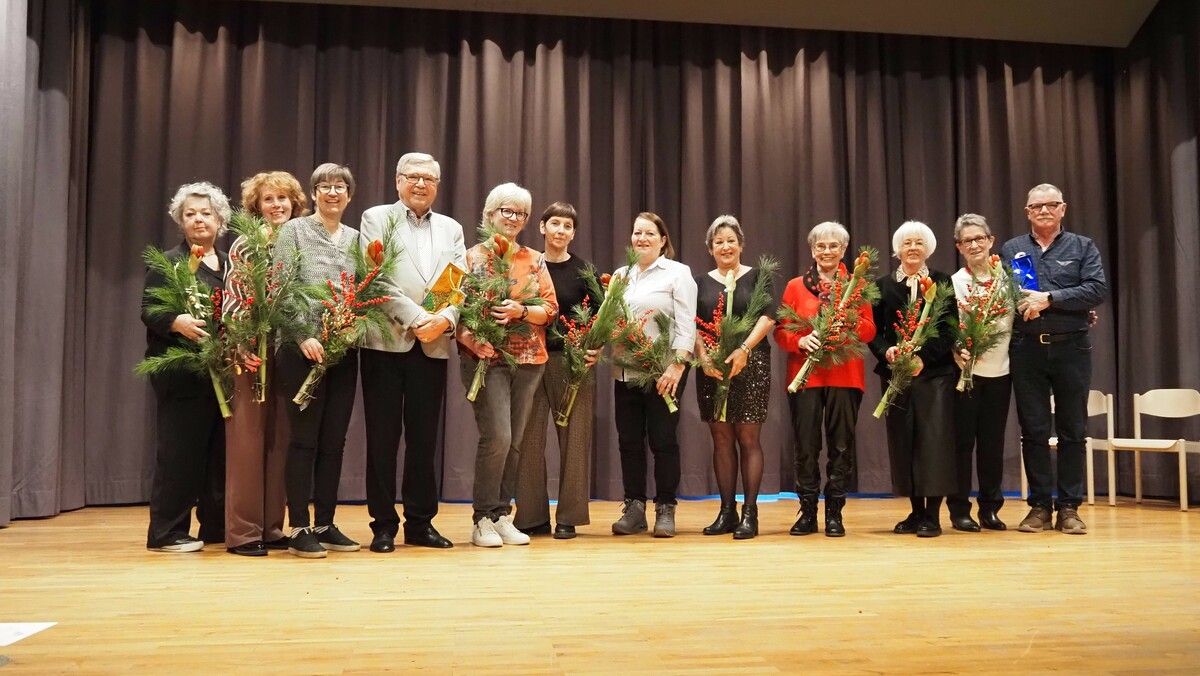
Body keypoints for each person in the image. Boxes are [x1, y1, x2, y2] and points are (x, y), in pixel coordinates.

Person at [358, 153, 466, 553]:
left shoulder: (451, 228)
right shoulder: (375, 218)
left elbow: (457, 282)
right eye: (413, 176)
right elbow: (375, 277)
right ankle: (383, 525)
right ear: (398, 180)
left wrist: (443, 320)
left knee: (423, 440)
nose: (421, 184)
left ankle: (420, 524)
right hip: (385, 343)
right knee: (382, 439)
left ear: (437, 185)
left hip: (432, 344)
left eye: (429, 178)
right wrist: (420, 317)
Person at [1001, 183, 1107, 535]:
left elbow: (1096, 289)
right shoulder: (1012, 249)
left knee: (1072, 429)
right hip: (1027, 349)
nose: (1044, 210)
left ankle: (1069, 507)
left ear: (1063, 208)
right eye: (1037, 206)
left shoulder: (1083, 246)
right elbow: (1004, 292)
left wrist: (1049, 298)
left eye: (1051, 205)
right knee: (1033, 430)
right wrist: (1021, 303)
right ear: (1027, 212)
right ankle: (1039, 507)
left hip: (1071, 348)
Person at [457, 183, 558, 548]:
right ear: (490, 214)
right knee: (497, 437)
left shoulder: (534, 259)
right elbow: (447, 305)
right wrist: (469, 337)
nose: (514, 218)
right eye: (507, 211)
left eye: (521, 213)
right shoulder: (469, 258)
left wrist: (521, 311)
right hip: (487, 359)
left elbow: (550, 308)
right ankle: (482, 517)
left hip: (530, 359)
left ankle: (501, 514)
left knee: (515, 441)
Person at [272, 163, 362, 558]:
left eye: (340, 186)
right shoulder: (293, 231)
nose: (332, 192)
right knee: (304, 440)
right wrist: (301, 334)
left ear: (349, 195)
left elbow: (363, 292)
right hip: (301, 350)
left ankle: (325, 523)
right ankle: (298, 527)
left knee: (334, 442)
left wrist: (352, 329)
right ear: (313, 194)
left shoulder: (356, 239)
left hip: (342, 351)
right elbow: (280, 288)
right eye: (324, 186)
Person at [141, 181, 231, 552]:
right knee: (180, 456)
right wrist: (176, 321)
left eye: (206, 213)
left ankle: (216, 526)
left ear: (220, 220)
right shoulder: (168, 262)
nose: (198, 220)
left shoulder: (231, 264)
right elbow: (149, 310)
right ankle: (166, 532)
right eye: (190, 214)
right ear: (180, 221)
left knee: (218, 456)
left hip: (223, 375)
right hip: (182, 374)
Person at [223, 171, 308, 556]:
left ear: (294, 203)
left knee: (280, 440)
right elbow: (235, 296)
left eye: (282, 199)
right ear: (256, 206)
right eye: (268, 199)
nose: (276, 205)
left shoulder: (301, 241)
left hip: (289, 349)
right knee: (248, 440)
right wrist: (242, 341)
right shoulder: (247, 245)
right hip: (252, 349)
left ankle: (272, 526)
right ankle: (243, 532)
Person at [774, 221, 875, 537]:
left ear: (843, 250)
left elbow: (870, 330)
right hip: (805, 377)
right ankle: (807, 512)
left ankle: (835, 512)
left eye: (833, 246)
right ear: (812, 250)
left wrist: (847, 325)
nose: (827, 251)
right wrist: (800, 341)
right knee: (806, 446)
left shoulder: (856, 285)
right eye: (821, 246)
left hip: (846, 375)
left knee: (841, 446)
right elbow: (780, 331)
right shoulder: (795, 286)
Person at [610, 212, 697, 538]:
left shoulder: (678, 273)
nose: (642, 238)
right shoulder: (621, 276)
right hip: (625, 371)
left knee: (663, 440)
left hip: (664, 372)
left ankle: (665, 507)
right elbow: (609, 320)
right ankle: (634, 508)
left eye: (649, 233)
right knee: (629, 442)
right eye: (637, 232)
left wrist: (678, 365)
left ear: (662, 240)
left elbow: (687, 323)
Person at [514, 202, 598, 540]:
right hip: (530, 359)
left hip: (572, 362)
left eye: (568, 226)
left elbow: (602, 317)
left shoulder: (584, 271)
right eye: (555, 224)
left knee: (575, 439)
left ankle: (569, 517)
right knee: (529, 439)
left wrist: (595, 348)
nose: (561, 230)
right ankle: (531, 516)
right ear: (542, 227)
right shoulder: (527, 264)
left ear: (573, 233)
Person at [869, 220, 957, 538]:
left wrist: (923, 357)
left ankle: (932, 515)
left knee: (933, 444)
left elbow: (949, 329)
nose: (913, 248)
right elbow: (873, 332)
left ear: (928, 248)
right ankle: (916, 511)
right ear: (898, 250)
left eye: (919, 242)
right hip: (897, 375)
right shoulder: (882, 285)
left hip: (935, 375)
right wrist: (888, 352)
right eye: (907, 243)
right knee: (904, 442)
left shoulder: (942, 281)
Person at [693, 216, 776, 539]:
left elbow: (768, 317)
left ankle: (750, 513)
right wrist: (703, 357)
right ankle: (727, 511)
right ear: (710, 248)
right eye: (719, 242)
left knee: (748, 438)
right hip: (712, 367)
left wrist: (744, 349)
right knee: (722, 439)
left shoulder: (758, 277)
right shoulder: (700, 282)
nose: (725, 247)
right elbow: (692, 323)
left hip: (750, 364)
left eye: (731, 241)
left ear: (741, 244)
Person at [947, 214, 1011, 532]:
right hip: (965, 375)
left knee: (992, 445)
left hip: (1001, 372)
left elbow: (1027, 310)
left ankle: (990, 508)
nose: (974, 245)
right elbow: (945, 327)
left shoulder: (1008, 280)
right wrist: (955, 348)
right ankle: (960, 509)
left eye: (979, 239)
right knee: (961, 445)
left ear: (991, 241)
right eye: (967, 241)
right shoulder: (953, 283)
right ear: (959, 247)